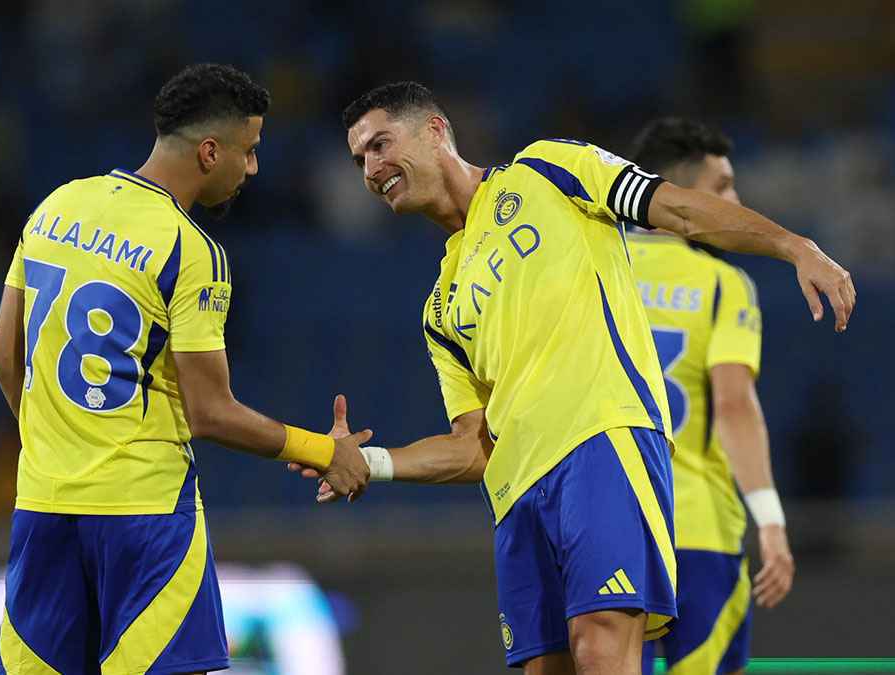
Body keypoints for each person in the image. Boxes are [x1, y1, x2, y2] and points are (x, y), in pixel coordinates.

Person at [302, 82, 852, 674]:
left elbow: (681, 208)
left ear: (435, 131)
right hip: (517, 499)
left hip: (602, 445)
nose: (371, 168)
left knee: (601, 646)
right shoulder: (440, 307)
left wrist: (793, 246)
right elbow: (472, 447)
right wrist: (374, 463)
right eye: (359, 158)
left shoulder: (548, 169)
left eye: (380, 144)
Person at [0, 63, 371, 675]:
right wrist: (322, 450)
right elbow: (210, 412)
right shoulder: (192, 250)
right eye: (248, 152)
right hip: (145, 518)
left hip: (43, 510)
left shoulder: (56, 206)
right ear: (210, 151)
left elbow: (2, 357)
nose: (252, 169)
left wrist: (58, 447)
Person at [627, 118, 794, 675]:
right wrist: (770, 521)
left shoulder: (592, 271)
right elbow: (733, 408)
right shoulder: (721, 285)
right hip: (696, 528)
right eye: (722, 188)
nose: (736, 200)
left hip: (608, 527)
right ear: (683, 198)